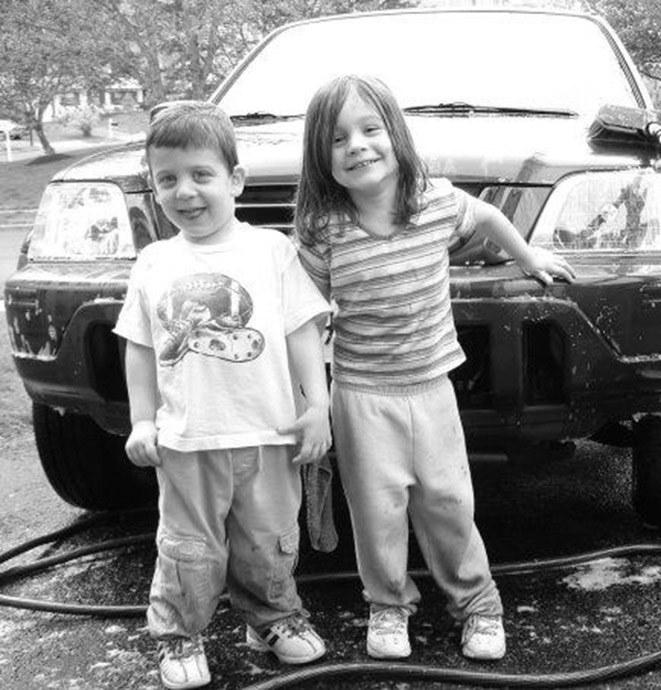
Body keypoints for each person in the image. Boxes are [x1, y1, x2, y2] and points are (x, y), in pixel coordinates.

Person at [293, 74, 576, 662]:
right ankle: (388, 603)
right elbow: (305, 314)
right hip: (361, 394)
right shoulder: (324, 230)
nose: (357, 146)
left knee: (448, 502)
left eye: (370, 129)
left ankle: (478, 604)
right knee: (377, 510)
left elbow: (489, 218)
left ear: (396, 134)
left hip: (431, 386)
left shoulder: (436, 202)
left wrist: (529, 257)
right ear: (322, 156)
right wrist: (310, 398)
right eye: (338, 139)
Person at [115, 101, 333, 690]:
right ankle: (180, 633)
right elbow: (139, 346)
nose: (185, 191)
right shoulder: (154, 261)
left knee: (269, 539)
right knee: (189, 548)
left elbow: (302, 330)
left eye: (200, 174)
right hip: (188, 441)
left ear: (234, 179)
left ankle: (273, 619)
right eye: (167, 179)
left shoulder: (272, 250)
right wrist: (142, 421)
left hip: (270, 435)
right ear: (155, 187)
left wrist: (318, 407)